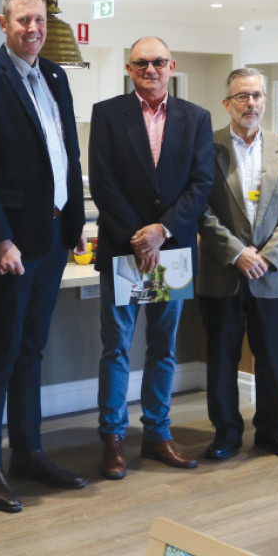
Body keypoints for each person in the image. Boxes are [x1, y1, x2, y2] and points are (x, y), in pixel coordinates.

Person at [0, 0, 88, 513]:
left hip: (55, 236)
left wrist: (75, 217)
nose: (33, 28)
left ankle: (28, 452)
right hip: (12, 244)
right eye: (23, 20)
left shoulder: (55, 75)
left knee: (33, 349)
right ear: (3, 23)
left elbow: (68, 151)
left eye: (40, 20)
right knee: (2, 352)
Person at [88, 36, 214, 480]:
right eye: (142, 63)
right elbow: (101, 183)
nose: (151, 69)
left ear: (172, 66)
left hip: (172, 253)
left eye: (159, 62)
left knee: (164, 349)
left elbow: (201, 184)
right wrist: (138, 236)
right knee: (116, 349)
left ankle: (158, 435)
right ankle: (114, 439)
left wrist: (162, 231)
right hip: (124, 250)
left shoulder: (195, 118)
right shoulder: (106, 115)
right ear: (129, 68)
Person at [196, 68, 278, 462]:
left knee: (271, 358)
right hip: (222, 272)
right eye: (242, 96)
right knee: (222, 358)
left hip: (269, 275)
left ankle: (272, 433)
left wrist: (267, 255)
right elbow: (201, 210)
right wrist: (238, 252)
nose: (251, 104)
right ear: (227, 103)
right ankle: (226, 433)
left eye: (257, 96)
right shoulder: (206, 147)